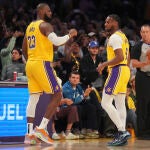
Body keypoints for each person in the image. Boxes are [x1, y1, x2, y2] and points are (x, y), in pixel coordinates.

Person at [22, 3, 77, 145]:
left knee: (33, 98)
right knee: (58, 94)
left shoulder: (30, 27)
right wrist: (69, 34)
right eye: (48, 10)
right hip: (41, 63)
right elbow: (57, 41)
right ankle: (41, 129)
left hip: (30, 64)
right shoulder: (45, 25)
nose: (51, 12)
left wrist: (32, 63)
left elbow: (24, 50)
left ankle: (29, 134)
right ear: (41, 11)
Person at [97, 14, 131, 146]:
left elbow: (120, 56)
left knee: (105, 103)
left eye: (107, 22)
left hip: (117, 70)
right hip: (124, 70)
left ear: (115, 23)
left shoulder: (115, 37)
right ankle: (121, 136)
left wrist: (104, 64)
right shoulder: (123, 37)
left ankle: (122, 131)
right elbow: (127, 57)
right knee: (120, 104)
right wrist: (125, 72)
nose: (105, 24)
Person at [131, 24, 150, 139]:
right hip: (142, 76)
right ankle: (142, 133)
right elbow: (133, 63)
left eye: (147, 32)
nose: (145, 34)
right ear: (140, 33)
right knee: (143, 104)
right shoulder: (138, 46)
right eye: (143, 32)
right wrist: (146, 63)